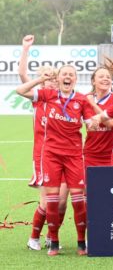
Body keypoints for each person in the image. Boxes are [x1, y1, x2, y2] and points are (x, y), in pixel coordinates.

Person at [16, 65, 96, 256]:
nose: (68, 77)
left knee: (78, 200)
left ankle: (81, 243)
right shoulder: (48, 95)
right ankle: (53, 242)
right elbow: (20, 90)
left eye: (71, 74)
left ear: (75, 79)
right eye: (64, 74)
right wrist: (40, 80)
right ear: (58, 79)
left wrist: (93, 122)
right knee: (52, 200)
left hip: (74, 155)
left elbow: (90, 122)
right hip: (51, 155)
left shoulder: (81, 99)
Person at [18, 35, 68, 251]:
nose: (52, 81)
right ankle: (33, 237)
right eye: (47, 79)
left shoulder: (65, 99)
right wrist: (26, 49)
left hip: (67, 155)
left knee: (63, 202)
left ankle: (51, 235)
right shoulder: (38, 98)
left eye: (53, 79)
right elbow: (21, 76)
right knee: (48, 202)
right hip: (44, 155)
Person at [83, 60, 113, 168]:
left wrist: (93, 105)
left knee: (110, 185)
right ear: (93, 81)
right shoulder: (85, 99)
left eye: (108, 77)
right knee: (90, 185)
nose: (105, 79)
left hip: (111, 154)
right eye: (101, 76)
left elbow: (111, 123)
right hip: (90, 154)